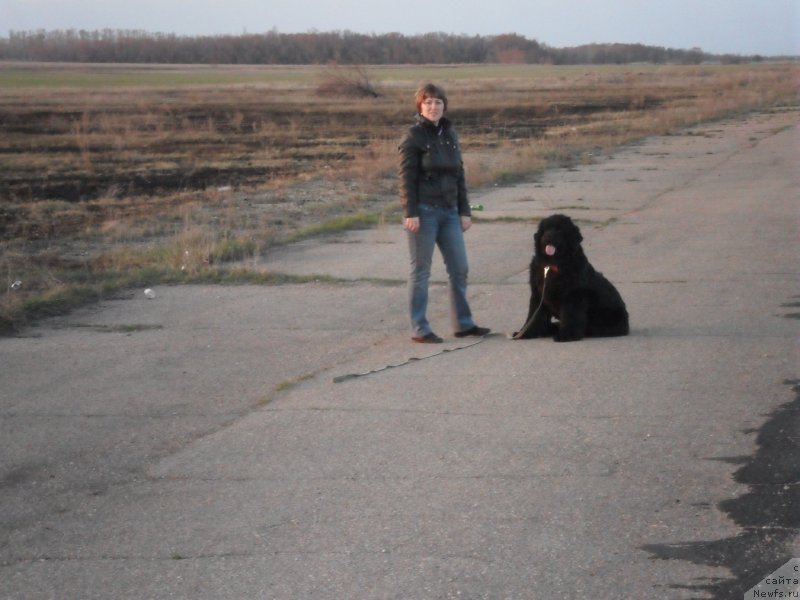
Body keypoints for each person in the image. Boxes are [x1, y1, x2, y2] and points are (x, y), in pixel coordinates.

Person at [398, 83, 490, 343]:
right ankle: (420, 328)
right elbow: (406, 178)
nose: (433, 106)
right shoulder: (413, 136)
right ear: (420, 106)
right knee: (421, 271)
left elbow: (459, 175)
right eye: (427, 102)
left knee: (459, 268)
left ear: (444, 106)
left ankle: (463, 324)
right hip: (424, 212)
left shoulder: (450, 134)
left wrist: (464, 210)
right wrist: (410, 212)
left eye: (438, 102)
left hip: (450, 212)